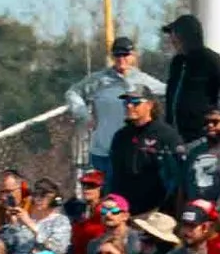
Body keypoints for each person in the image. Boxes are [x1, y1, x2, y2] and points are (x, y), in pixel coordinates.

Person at [67, 37, 165, 176]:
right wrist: (84, 115)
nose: (121, 58)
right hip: (103, 151)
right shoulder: (99, 80)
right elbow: (73, 92)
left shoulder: (142, 80)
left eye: (125, 54)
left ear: (134, 56)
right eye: (117, 54)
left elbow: (166, 91)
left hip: (131, 151)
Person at [159, 13, 220, 142]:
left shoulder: (209, 59)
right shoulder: (177, 62)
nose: (172, 39)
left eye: (174, 34)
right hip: (176, 135)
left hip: (202, 135)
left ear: (186, 35)